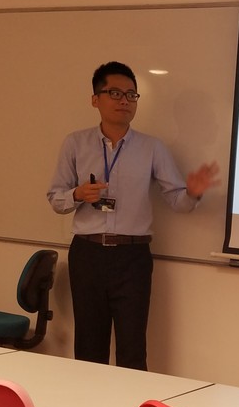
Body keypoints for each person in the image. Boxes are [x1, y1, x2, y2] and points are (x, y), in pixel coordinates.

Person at [47, 61, 220, 371]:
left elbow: (177, 200)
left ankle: (132, 405)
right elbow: (56, 199)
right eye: (115, 93)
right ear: (95, 99)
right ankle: (88, 403)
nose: (124, 101)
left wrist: (193, 192)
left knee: (132, 349)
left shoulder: (152, 148)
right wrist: (78, 194)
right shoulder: (75, 143)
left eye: (131, 95)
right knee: (89, 346)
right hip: (87, 253)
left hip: (133, 256)